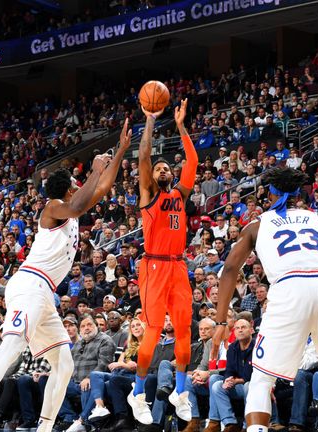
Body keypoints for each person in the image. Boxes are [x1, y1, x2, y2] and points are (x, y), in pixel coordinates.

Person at [0, 123, 132, 432]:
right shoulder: (53, 207)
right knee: (13, 345)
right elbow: (78, 203)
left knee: (64, 365)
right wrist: (95, 168)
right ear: (69, 188)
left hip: (44, 293)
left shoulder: (72, 205)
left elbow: (100, 189)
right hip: (29, 284)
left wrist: (118, 155)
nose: (80, 188)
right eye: (77, 185)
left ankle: (45, 428)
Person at [211, 166, 318, 432]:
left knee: (261, 379)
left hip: (290, 288)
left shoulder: (257, 225)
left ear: (269, 194)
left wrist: (221, 320)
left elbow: (231, 269)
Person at [128, 99, 198, 425]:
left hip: (178, 266)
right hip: (153, 266)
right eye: (158, 168)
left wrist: (181, 126)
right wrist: (151, 120)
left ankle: (180, 392)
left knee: (184, 330)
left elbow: (193, 160)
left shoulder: (180, 196)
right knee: (154, 331)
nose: (162, 169)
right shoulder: (148, 195)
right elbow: (144, 157)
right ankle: (137, 392)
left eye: (166, 166)